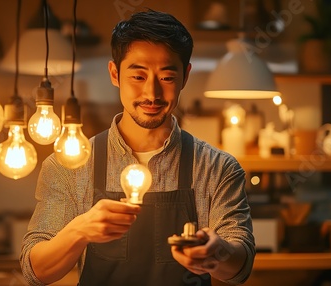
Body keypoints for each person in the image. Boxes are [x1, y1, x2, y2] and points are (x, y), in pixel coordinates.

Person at [20, 10, 255, 286]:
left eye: (167, 78)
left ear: (185, 76)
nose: (152, 94)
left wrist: (217, 252)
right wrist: (79, 230)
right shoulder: (68, 166)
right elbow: (35, 272)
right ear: (114, 73)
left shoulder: (217, 168)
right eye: (138, 76)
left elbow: (240, 267)